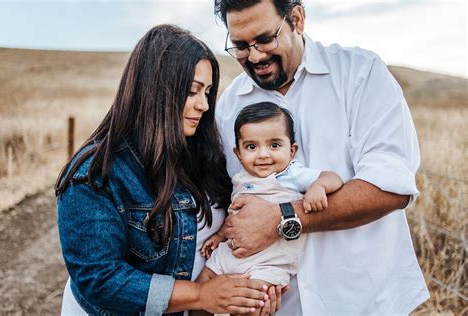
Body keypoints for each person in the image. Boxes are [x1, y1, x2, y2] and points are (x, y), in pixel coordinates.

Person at [213, 0, 430, 315]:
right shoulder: (228, 105)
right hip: (276, 306)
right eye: (241, 46)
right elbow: (228, 202)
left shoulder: (360, 73)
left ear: (297, 19)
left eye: (265, 39)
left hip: (363, 302)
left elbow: (390, 187)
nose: (255, 55)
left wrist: (282, 218)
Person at [55, 24, 276, 316]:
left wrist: (253, 291)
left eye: (208, 92)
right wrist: (201, 295)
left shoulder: (204, 152)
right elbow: (100, 280)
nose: (204, 105)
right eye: (192, 91)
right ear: (155, 89)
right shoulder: (95, 174)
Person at [192, 102, 342, 316]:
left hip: (267, 265)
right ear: (238, 153)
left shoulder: (291, 175)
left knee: (250, 306)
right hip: (230, 254)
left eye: (274, 145)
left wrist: (318, 186)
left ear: (292, 151)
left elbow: (333, 178)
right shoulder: (241, 179)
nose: (263, 154)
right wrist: (219, 236)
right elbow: (236, 217)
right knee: (202, 288)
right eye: (252, 147)